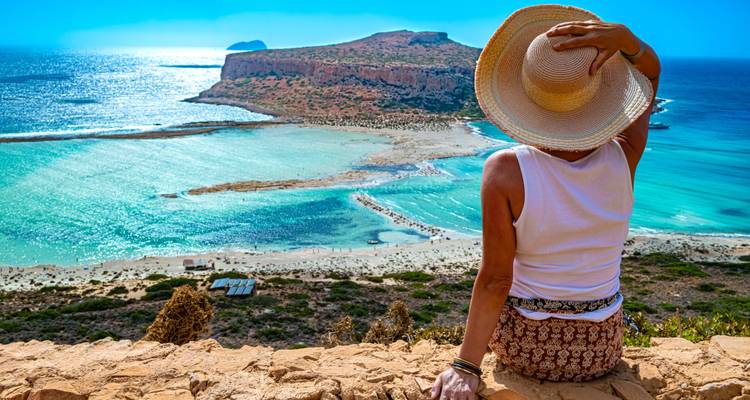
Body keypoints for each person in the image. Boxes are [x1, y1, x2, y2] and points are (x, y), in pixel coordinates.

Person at [431, 5, 661, 399]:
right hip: (601, 348)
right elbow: (649, 77)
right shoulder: (626, 154)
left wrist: (465, 367)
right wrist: (627, 41)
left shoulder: (504, 170)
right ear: (595, 92)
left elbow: (496, 278)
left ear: (522, 97)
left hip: (527, 349)